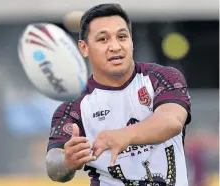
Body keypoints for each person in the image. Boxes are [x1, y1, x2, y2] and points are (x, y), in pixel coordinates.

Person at [46, 3, 191, 186]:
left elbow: (171, 121)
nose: (115, 46)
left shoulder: (163, 77)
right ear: (84, 48)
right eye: (103, 39)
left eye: (122, 36)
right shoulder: (72, 108)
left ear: (131, 41)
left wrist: (125, 135)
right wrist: (67, 161)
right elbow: (53, 166)